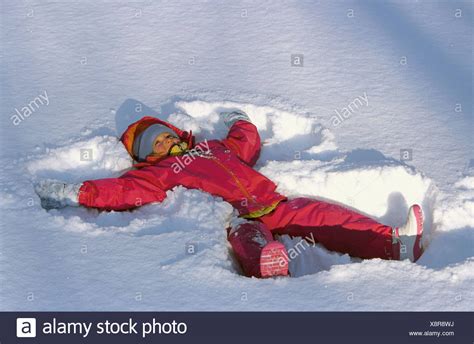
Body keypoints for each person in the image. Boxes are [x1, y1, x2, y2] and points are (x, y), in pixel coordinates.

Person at [35, 111, 425, 278]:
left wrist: (240, 120)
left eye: (165, 134)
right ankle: (266, 266)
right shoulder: (157, 175)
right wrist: (77, 192)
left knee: (327, 217)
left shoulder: (214, 149)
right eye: (153, 144)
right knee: (249, 240)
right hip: (238, 216)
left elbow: (246, 142)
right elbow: (120, 191)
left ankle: (393, 244)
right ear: (143, 157)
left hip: (274, 205)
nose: (164, 143)